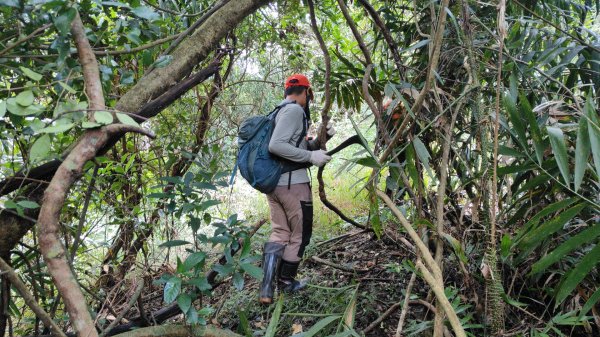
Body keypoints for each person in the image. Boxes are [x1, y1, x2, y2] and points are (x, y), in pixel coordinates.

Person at [258, 74, 335, 304]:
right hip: (293, 185)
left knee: (281, 232)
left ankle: (267, 289)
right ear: (305, 92)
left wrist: (323, 138)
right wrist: (311, 156)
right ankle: (286, 282)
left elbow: (291, 148)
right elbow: (277, 146)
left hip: (276, 185)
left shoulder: (280, 110)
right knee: (300, 235)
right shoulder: (294, 111)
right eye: (308, 95)